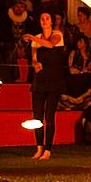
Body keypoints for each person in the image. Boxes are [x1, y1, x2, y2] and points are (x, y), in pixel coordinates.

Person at [23, 12, 66, 160]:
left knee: (49, 117)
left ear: (51, 21)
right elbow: (34, 59)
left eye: (47, 18)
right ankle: (39, 147)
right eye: (42, 18)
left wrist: (32, 38)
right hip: (40, 81)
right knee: (37, 117)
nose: (44, 21)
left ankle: (48, 149)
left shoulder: (57, 35)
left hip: (54, 81)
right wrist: (36, 64)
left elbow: (50, 44)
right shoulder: (36, 39)